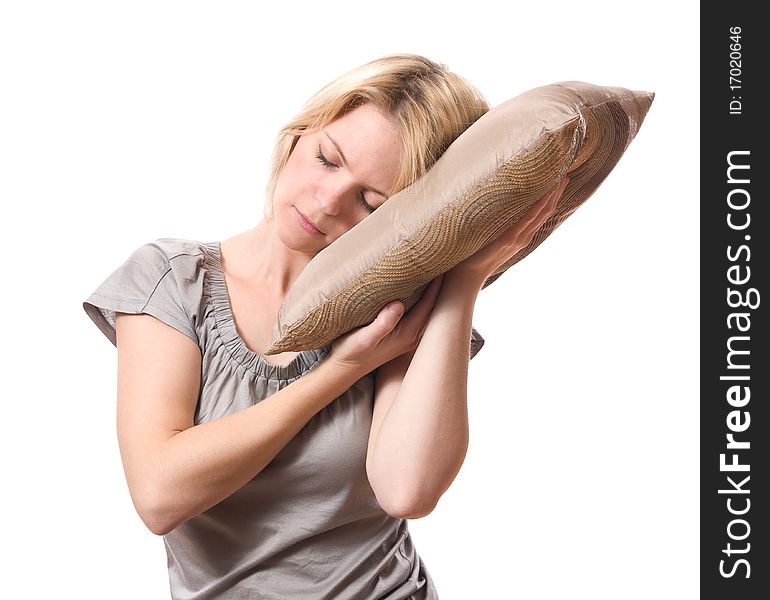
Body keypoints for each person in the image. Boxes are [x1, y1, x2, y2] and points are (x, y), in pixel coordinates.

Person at [83, 53, 567, 599]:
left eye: (370, 200)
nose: (328, 200)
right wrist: (343, 369)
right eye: (327, 159)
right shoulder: (172, 281)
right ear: (298, 138)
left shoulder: (398, 314)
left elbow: (408, 491)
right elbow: (160, 493)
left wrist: (464, 277)